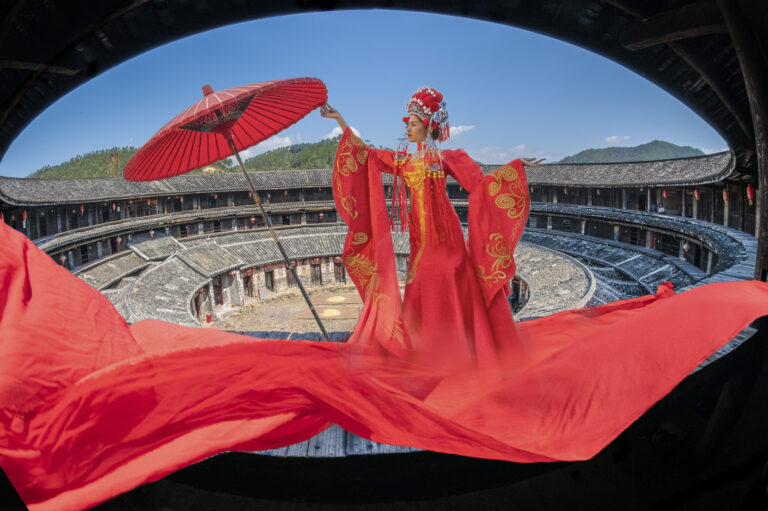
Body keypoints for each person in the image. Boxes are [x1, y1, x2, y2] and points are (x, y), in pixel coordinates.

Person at [321, 87, 544, 369]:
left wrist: (514, 166)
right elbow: (366, 154)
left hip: (447, 238)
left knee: (453, 283)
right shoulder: (403, 161)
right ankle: (425, 352)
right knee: (420, 284)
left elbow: (480, 184)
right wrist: (341, 121)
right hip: (421, 241)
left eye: (414, 124)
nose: (409, 129)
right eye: (409, 124)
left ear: (427, 127)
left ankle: (466, 351)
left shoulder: (447, 158)